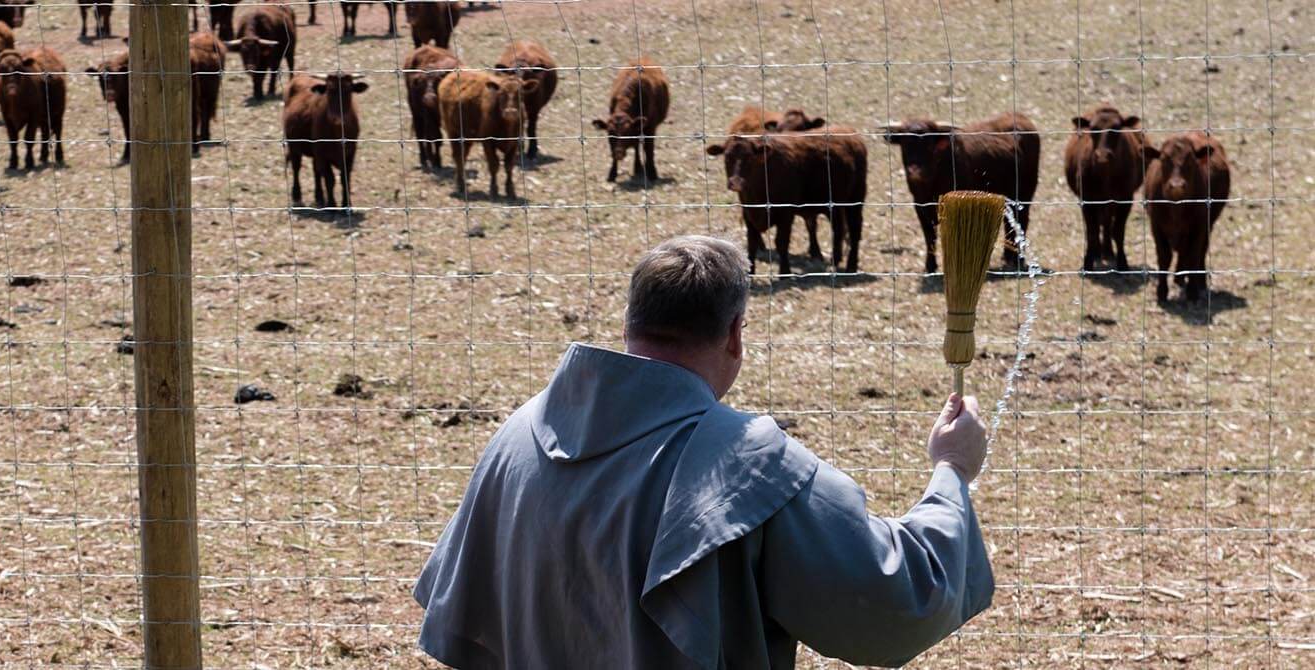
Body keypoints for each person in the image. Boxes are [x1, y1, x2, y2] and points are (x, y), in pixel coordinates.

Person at [414, 235, 994, 669]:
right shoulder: (747, 464)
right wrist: (951, 472)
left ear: (628, 324)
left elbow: (462, 620)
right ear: (736, 333)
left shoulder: (515, 437)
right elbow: (897, 598)